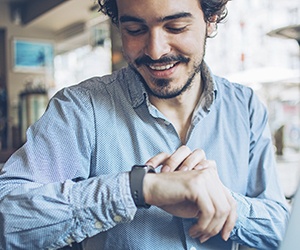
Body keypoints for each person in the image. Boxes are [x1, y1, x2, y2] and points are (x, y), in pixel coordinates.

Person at [0, 0, 289, 249]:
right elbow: (8, 218)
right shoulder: (79, 108)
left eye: (175, 27)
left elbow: (280, 227)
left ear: (210, 20)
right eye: (134, 30)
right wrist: (139, 189)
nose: (155, 51)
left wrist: (220, 203)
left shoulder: (246, 106)